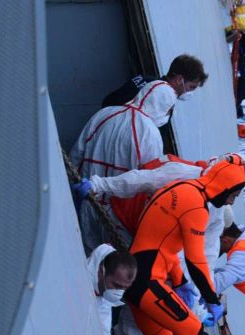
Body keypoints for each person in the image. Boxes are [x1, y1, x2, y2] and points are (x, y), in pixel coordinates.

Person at [124, 155, 245, 335]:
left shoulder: (181, 188)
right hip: (147, 280)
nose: (232, 200)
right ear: (224, 188)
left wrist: (179, 282)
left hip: (140, 272)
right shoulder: (196, 207)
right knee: (191, 329)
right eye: (233, 195)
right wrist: (211, 299)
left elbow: (164, 245)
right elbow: (195, 260)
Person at [69, 79, 177, 251]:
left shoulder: (104, 114)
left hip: (86, 200)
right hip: (117, 215)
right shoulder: (150, 134)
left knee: (82, 253)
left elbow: (76, 153)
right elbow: (147, 179)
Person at [101, 54, 208, 114]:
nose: (191, 92)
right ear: (180, 79)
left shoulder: (144, 79)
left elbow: (108, 102)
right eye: (192, 87)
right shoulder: (163, 105)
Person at [85, 245, 136, 335]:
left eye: (125, 288)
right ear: (101, 272)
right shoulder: (77, 278)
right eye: (117, 285)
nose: (119, 292)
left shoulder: (105, 299)